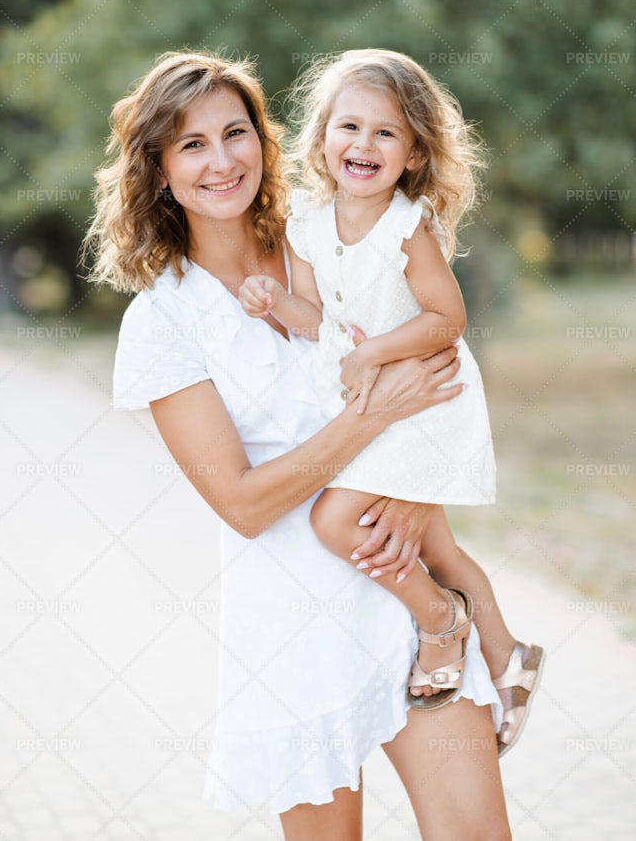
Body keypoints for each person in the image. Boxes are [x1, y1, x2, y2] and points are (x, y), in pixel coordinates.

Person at [85, 50, 512, 840]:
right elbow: (244, 503)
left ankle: (471, 619)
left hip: (403, 600)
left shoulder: (328, 235)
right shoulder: (162, 322)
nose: (222, 161)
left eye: (235, 133)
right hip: (289, 635)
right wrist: (373, 418)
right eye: (191, 144)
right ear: (158, 169)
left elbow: (440, 357)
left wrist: (418, 491)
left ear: (265, 141)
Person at [239, 48, 544, 753]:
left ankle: (441, 623)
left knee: (334, 519)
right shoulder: (309, 226)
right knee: (434, 543)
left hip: (426, 396)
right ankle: (509, 656)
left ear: (411, 154)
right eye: (350, 127)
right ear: (322, 140)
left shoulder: (408, 228)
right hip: (370, 400)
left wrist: (373, 351)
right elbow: (321, 326)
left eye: (386, 133)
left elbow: (447, 319)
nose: (364, 144)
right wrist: (275, 301)